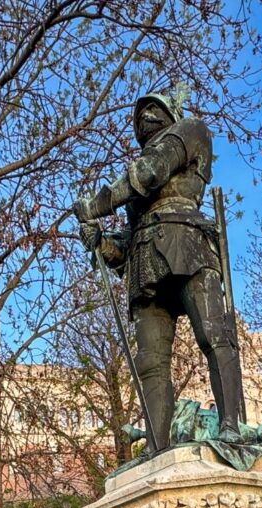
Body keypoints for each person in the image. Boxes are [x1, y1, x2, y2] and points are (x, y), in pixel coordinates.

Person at [73, 92, 243, 451]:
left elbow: (150, 172)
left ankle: (231, 426)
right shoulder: (135, 192)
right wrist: (100, 241)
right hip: (146, 262)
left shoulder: (190, 132)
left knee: (215, 334)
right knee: (149, 361)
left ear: (171, 114)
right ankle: (156, 445)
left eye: (155, 108)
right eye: (140, 113)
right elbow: (125, 247)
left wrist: (95, 206)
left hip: (189, 243)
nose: (146, 115)